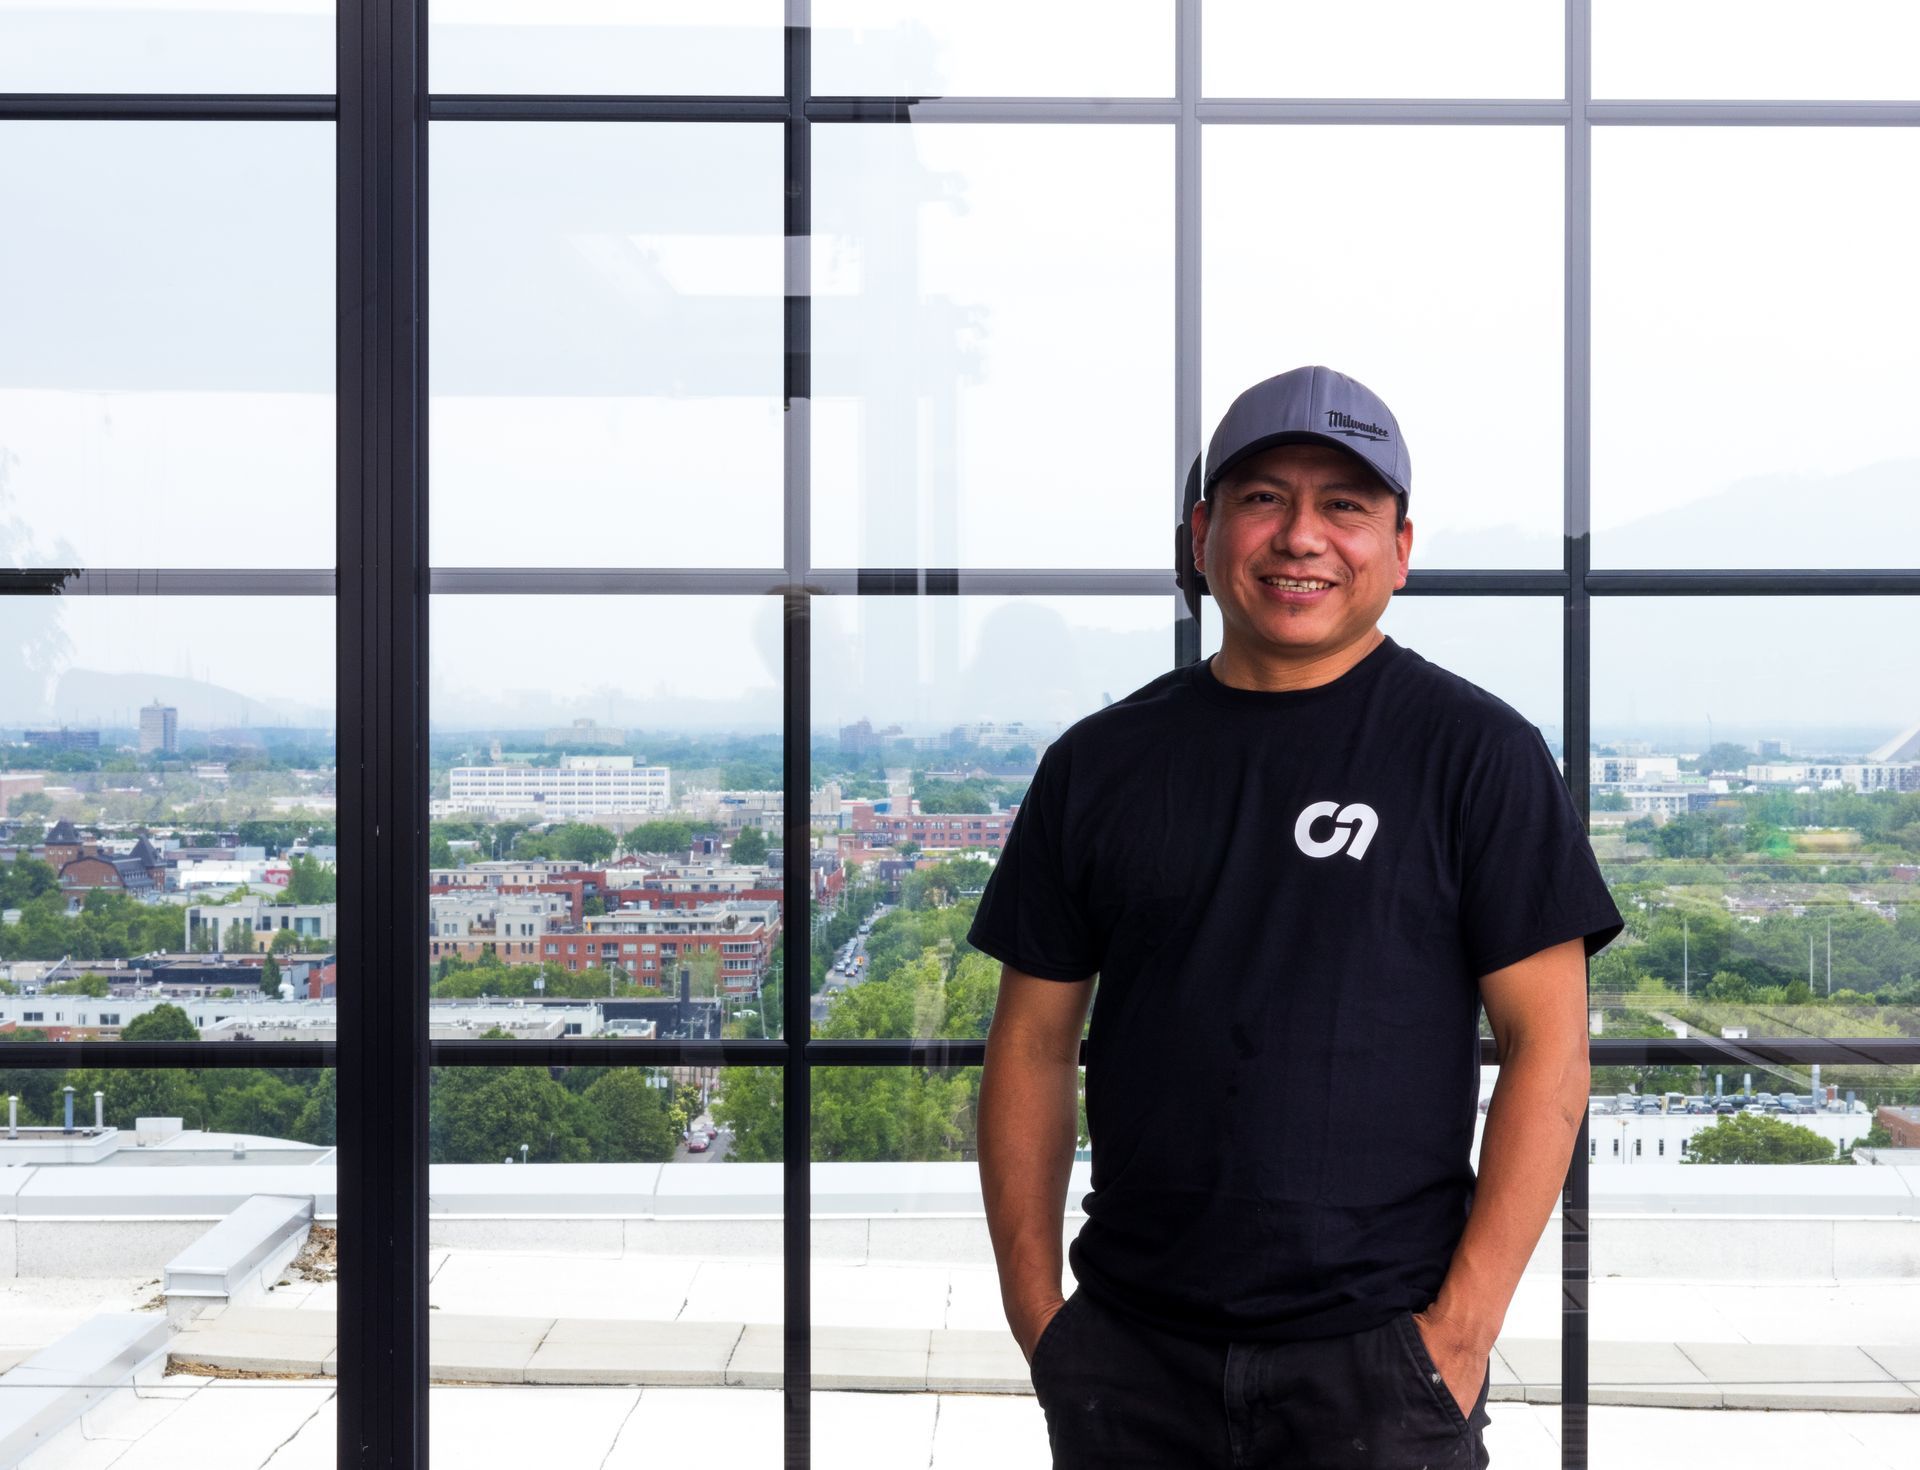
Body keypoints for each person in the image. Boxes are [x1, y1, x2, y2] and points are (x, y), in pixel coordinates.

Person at [969, 365, 1623, 1468]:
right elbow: (1030, 1046)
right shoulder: (1100, 764)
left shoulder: (1477, 756)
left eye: (1346, 505)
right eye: (1264, 498)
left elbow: (1549, 1053)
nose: (1300, 537)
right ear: (1202, 532)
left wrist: (1457, 1340)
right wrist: (1046, 1324)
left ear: (1400, 549)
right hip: (1133, 1355)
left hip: (1380, 1363)